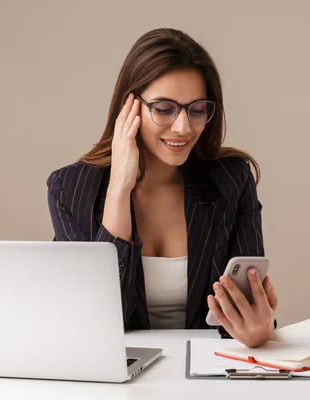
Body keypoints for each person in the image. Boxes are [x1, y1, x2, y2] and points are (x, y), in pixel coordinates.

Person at [47, 28, 277, 348]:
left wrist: (259, 330)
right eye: (164, 108)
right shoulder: (69, 190)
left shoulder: (231, 181)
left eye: (197, 110)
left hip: (209, 375)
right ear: (130, 107)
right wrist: (119, 190)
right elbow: (93, 323)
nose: (183, 128)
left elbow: (246, 311)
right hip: (117, 379)